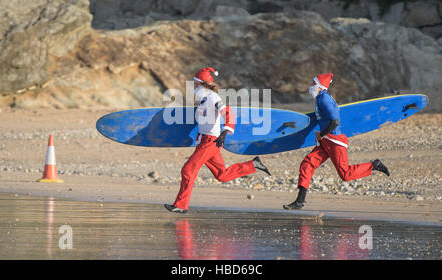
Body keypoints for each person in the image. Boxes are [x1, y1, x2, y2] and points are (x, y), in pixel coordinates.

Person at [165, 67, 271, 213]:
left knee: (188, 170)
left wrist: (225, 132)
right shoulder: (203, 99)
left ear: (203, 84)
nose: (194, 87)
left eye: (196, 84)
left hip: (211, 142)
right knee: (222, 175)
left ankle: (181, 205)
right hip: (204, 141)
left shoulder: (213, 98)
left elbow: (229, 114)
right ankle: (253, 164)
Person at [283, 73, 390, 210]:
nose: (311, 86)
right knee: (307, 164)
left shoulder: (325, 100)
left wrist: (321, 134)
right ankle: (299, 201)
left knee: (345, 174)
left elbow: (334, 121)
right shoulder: (320, 99)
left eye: (313, 84)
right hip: (325, 141)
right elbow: (321, 119)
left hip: (334, 141)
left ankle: (374, 165)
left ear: (320, 87)